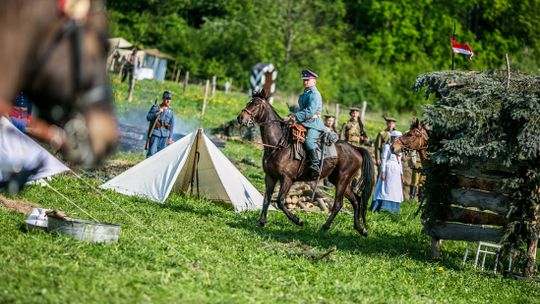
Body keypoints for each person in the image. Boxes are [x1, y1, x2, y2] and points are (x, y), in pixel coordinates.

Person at [293, 69, 326, 177]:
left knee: (309, 142)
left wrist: (296, 115)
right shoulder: (306, 93)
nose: (305, 82)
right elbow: (303, 109)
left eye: (307, 80)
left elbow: (311, 111)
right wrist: (293, 115)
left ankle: (315, 165)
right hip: (303, 121)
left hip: (314, 123)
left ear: (314, 81)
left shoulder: (315, 94)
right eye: (304, 79)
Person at [370, 130, 404, 213]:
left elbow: (400, 162)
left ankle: (394, 209)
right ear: (393, 138)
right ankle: (382, 206)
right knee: (386, 187)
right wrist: (383, 171)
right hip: (389, 168)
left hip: (396, 170)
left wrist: (401, 173)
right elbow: (384, 159)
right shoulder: (387, 146)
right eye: (397, 138)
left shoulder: (400, 148)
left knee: (395, 189)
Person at [146, 91, 175, 158]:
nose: (168, 101)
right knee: (151, 153)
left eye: (169, 99)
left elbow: (172, 124)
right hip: (156, 133)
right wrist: (158, 112)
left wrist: (170, 137)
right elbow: (148, 117)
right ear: (163, 99)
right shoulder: (156, 107)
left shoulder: (171, 110)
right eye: (166, 98)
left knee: (161, 155)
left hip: (165, 135)